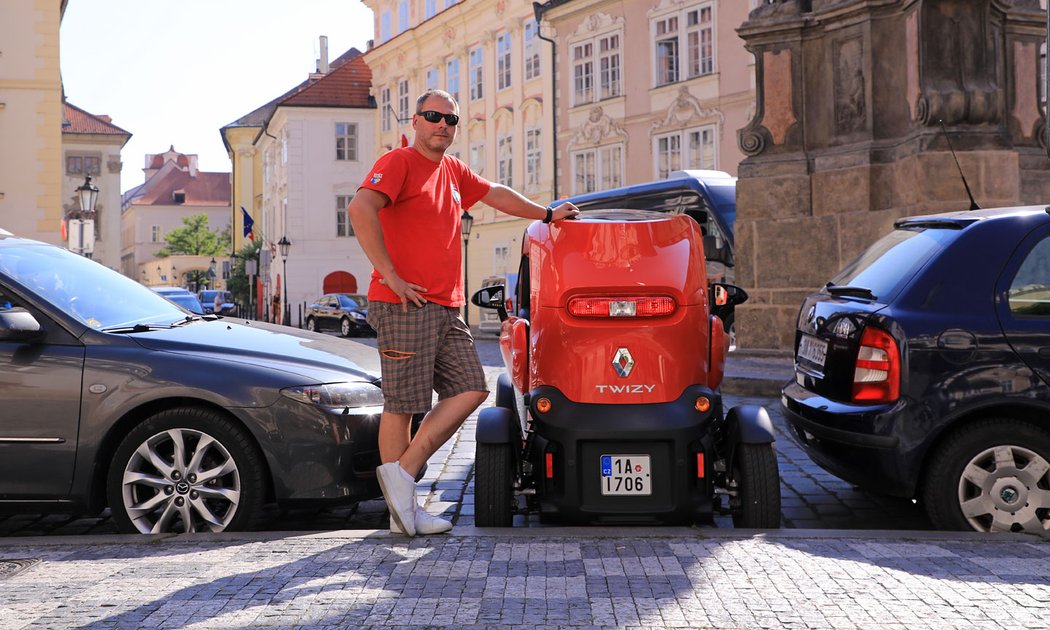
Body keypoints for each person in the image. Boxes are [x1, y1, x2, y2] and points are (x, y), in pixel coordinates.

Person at [348, 89, 579, 536]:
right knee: (403, 405)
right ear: (415, 121)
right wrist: (390, 275)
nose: (442, 125)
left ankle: (403, 474)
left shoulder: (452, 170)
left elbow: (495, 193)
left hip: (445, 304)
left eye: (451, 120)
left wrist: (548, 213)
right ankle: (404, 508)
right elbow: (360, 208)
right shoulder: (399, 162)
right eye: (434, 117)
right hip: (404, 302)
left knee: (471, 387)